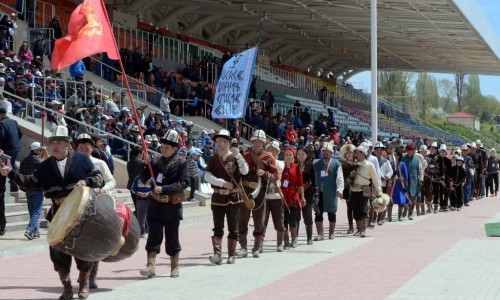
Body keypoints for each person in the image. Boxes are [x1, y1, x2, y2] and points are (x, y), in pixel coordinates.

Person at [0, 125, 103, 300]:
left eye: (59, 142)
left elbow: (98, 178)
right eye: (52, 142)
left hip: (81, 212)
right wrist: (11, 174)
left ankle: (84, 283)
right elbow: (30, 182)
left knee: (82, 248)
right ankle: (67, 287)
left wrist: (86, 182)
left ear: (68, 145)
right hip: (58, 212)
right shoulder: (45, 166)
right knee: (57, 250)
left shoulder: (81, 159)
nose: (54, 146)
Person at [140, 129, 189, 278]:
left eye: (167, 147)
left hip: (172, 205)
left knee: (172, 236)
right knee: (154, 235)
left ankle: (174, 266)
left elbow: (183, 183)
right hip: (155, 205)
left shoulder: (181, 162)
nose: (163, 149)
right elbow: (144, 177)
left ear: (175, 148)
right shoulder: (155, 160)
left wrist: (164, 188)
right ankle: (150, 266)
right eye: (162, 146)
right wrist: (145, 163)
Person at [204, 129, 248, 265]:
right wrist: (221, 183)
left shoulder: (235, 156)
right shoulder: (213, 158)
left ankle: (231, 255)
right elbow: (206, 176)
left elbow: (245, 171)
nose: (218, 144)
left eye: (221, 141)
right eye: (217, 141)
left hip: (234, 198)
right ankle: (217, 255)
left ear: (228, 142)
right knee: (217, 227)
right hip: (218, 198)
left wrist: (239, 157)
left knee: (233, 227)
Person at [239, 129, 278, 258]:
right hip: (246, 190)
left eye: (259, 141)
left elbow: (275, 176)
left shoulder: (269, 157)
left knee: (259, 219)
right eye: (255, 141)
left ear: (263, 143)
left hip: (260, 191)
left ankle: (257, 245)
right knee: (242, 218)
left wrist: (265, 173)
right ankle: (243, 246)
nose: (257, 143)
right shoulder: (246, 155)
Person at [313, 141, 344, 240]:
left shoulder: (336, 164)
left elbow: (340, 178)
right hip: (318, 192)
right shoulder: (316, 163)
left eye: (328, 151)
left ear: (331, 152)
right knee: (318, 212)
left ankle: (331, 233)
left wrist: (340, 190)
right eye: (324, 151)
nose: (325, 153)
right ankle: (320, 234)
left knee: (332, 212)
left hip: (331, 192)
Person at [349, 143, 381, 237]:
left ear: (363, 153)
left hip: (365, 189)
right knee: (355, 210)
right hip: (354, 189)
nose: (356, 154)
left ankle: (363, 230)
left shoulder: (370, 165)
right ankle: (358, 229)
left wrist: (379, 191)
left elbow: (375, 179)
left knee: (364, 209)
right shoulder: (353, 164)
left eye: (358, 152)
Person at [0, 106, 22, 232]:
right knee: (11, 168)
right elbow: (19, 134)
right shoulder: (13, 121)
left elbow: (1, 138)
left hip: (4, 153)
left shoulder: (1, 124)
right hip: (15, 149)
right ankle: (14, 184)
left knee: (3, 177)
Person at [19, 142, 46, 240]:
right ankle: (30, 229)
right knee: (37, 212)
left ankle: (36, 231)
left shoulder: (24, 161)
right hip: (37, 188)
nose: (40, 151)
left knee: (32, 212)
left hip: (28, 189)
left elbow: (21, 174)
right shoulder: (38, 161)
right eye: (39, 149)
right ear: (34, 150)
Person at [263, 140, 286, 251]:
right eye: (269, 150)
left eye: (273, 150)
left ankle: (279, 243)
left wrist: (271, 160)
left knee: (279, 220)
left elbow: (277, 169)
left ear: (277, 152)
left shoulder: (280, 163)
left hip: (277, 195)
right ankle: (260, 243)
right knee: (262, 221)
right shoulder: (263, 163)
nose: (271, 152)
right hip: (265, 196)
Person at [281, 147, 305, 248]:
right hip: (282, 195)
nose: (288, 156)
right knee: (283, 220)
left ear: (293, 156)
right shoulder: (280, 166)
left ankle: (294, 239)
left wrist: (302, 197)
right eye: (286, 154)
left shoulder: (297, 167)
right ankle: (285, 240)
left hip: (293, 195)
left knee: (292, 219)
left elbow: (300, 184)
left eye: (290, 155)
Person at [338, 143, 359, 234]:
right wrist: (356, 164)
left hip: (357, 187)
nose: (349, 154)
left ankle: (358, 225)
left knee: (357, 208)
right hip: (347, 188)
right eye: (347, 153)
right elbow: (348, 164)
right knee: (349, 208)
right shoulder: (344, 163)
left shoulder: (358, 162)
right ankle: (351, 226)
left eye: (351, 152)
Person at [131, 170, 153, 237]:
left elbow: (154, 189)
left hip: (149, 200)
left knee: (149, 216)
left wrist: (148, 193)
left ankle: (150, 231)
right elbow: (133, 188)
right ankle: (142, 232)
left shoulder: (152, 179)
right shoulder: (137, 178)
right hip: (140, 200)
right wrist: (138, 193)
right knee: (140, 216)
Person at [401, 143, 420, 220]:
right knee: (405, 198)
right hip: (405, 182)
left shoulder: (417, 160)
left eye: (412, 150)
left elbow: (418, 171)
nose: (410, 152)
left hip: (414, 182)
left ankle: (410, 213)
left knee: (413, 199)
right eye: (408, 150)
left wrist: (419, 179)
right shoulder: (403, 159)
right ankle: (405, 209)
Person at [392, 149, 410, 221]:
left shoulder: (402, 164)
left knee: (401, 201)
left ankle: (400, 216)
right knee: (391, 201)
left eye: (395, 155)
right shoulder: (392, 164)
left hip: (400, 185)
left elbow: (405, 176)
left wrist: (400, 179)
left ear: (399, 156)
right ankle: (389, 216)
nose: (394, 156)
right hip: (393, 185)